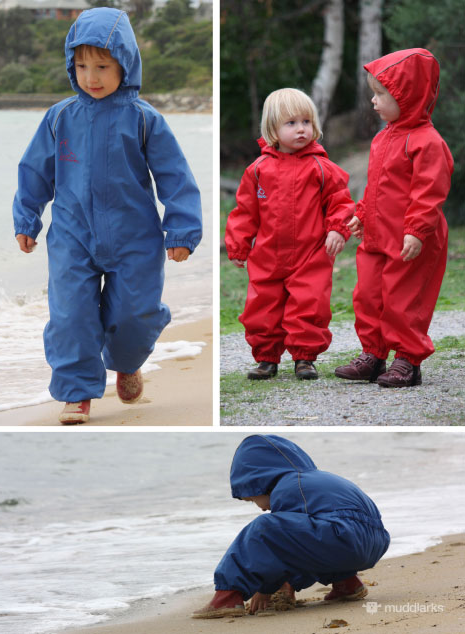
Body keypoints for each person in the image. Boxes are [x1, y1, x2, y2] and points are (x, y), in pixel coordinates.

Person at [13, 8, 202, 423]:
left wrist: (182, 231)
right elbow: (34, 171)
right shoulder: (60, 117)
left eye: (102, 66)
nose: (90, 77)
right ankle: (77, 392)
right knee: (71, 316)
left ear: (125, 64)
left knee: (134, 314)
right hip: (71, 236)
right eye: (81, 66)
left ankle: (128, 360)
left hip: (134, 238)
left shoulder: (144, 119)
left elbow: (175, 177)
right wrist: (27, 219)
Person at [335, 49, 453, 388]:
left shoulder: (427, 142)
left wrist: (416, 230)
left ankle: (407, 360)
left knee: (404, 300)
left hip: (410, 240)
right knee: (368, 296)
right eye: (373, 93)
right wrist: (360, 214)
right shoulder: (383, 138)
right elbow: (376, 186)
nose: (373, 101)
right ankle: (373, 355)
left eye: (381, 94)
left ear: (408, 95)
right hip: (376, 235)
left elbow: (429, 191)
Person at [225, 88, 354, 381]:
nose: (301, 129)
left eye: (306, 122)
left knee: (309, 304)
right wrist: (238, 245)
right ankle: (266, 358)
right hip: (268, 254)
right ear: (273, 129)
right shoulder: (258, 170)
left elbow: (341, 201)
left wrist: (337, 228)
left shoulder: (321, 168)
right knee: (262, 307)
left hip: (311, 253)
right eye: (291, 123)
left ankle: (305, 358)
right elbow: (245, 211)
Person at [193, 435, 390, 618]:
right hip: (375, 541)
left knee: (263, 529)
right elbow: (301, 545)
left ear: (260, 482)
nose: (260, 507)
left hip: (343, 537)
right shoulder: (318, 478)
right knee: (307, 536)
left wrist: (267, 588)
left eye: (251, 499)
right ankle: (346, 583)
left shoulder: (289, 486)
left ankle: (227, 597)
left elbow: (279, 548)